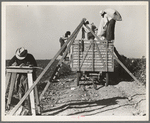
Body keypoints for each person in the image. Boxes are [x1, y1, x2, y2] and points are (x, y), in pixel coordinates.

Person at [8, 47, 37, 115]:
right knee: (20, 92)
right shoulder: (15, 57)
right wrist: (14, 64)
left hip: (28, 77)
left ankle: (31, 109)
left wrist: (28, 65)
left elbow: (35, 65)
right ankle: (22, 108)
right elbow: (10, 63)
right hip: (20, 76)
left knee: (29, 92)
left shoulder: (30, 56)